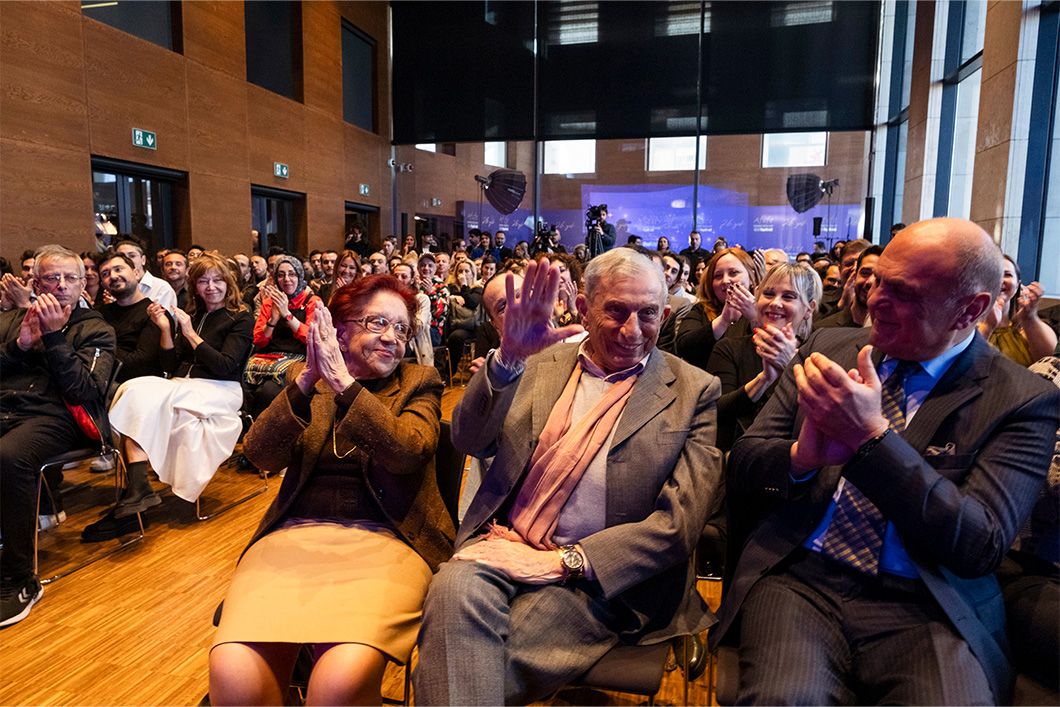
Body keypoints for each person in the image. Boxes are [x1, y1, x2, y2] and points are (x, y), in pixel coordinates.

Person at [711, 218, 1060, 705]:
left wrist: (872, 439)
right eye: (875, 282)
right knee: (785, 698)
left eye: (902, 292)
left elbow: (979, 544)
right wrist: (803, 456)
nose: (875, 300)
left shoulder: (1021, 398)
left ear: (970, 308)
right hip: (802, 579)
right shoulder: (828, 351)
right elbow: (743, 463)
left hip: (928, 602)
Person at [413, 252, 724, 705]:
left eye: (648, 314)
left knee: (461, 661)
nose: (632, 330)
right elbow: (468, 439)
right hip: (505, 542)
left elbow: (678, 528)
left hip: (604, 583)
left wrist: (564, 562)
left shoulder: (694, 391)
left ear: (666, 313)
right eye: (616, 310)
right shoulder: (538, 362)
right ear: (582, 308)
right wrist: (507, 360)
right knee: (452, 592)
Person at [209, 275, 453, 706]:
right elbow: (261, 456)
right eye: (378, 322)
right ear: (340, 330)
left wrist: (344, 385)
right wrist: (305, 383)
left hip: (388, 540)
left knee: (338, 684)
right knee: (234, 673)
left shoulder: (420, 381)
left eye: (401, 329)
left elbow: (406, 452)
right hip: (294, 539)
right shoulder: (311, 382)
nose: (392, 337)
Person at [0, 245, 116, 626]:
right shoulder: (11, 320)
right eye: (52, 277)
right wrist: (21, 345)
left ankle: (19, 577)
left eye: (70, 278)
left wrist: (53, 339)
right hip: (7, 407)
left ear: (84, 284)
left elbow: (83, 389)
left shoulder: (96, 328)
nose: (61, 285)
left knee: (9, 456)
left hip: (59, 416)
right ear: (36, 283)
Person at [107, 253, 253, 514]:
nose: (211, 287)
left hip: (220, 389)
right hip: (183, 384)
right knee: (132, 389)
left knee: (146, 398)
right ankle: (139, 487)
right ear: (195, 286)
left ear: (228, 283)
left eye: (217, 280)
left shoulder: (239, 317)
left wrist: (189, 334)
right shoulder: (193, 314)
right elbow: (170, 366)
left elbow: (225, 365)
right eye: (203, 281)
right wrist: (165, 329)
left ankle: (138, 487)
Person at [706, 262, 820, 451]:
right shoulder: (729, 348)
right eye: (768, 294)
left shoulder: (818, 354)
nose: (775, 303)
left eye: (789, 296)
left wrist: (790, 365)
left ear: (809, 309)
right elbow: (714, 411)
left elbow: (821, 417)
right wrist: (764, 379)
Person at [247, 255, 324, 417]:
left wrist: (287, 314)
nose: (286, 279)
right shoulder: (269, 302)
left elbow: (311, 338)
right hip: (268, 358)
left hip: (300, 360)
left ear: (299, 276)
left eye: (292, 274)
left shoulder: (312, 301)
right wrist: (274, 318)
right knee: (245, 387)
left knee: (268, 391)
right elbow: (259, 340)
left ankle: (263, 433)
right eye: (281, 275)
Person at [674, 247, 757, 370]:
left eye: (733, 273)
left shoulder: (767, 311)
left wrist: (755, 317)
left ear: (751, 278)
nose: (725, 280)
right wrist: (723, 321)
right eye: (718, 276)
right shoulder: (700, 310)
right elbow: (683, 348)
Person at [97, 253, 167, 383]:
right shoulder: (99, 314)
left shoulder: (155, 314)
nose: (113, 276)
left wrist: (101, 345)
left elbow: (140, 365)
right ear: (103, 284)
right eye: (105, 274)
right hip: (100, 383)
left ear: (136, 273)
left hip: (138, 387)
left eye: (118, 269)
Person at [978, 254, 1057, 366]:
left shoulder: (1027, 327)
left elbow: (1050, 362)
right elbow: (958, 364)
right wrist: (988, 326)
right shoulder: (963, 325)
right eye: (993, 273)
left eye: (1007, 274)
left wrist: (1029, 318)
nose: (1000, 280)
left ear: (1017, 285)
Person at [815, 245, 881, 330]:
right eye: (865, 273)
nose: (870, 281)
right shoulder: (823, 327)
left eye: (878, 276)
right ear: (854, 276)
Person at [115, 238, 177, 312]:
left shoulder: (161, 288)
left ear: (143, 260)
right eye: (122, 257)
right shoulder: (116, 286)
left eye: (132, 256)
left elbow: (162, 321)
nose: (127, 260)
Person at [417, 253, 448, 348]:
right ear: (418, 268)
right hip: (414, 325)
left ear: (435, 269)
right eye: (422, 265)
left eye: (430, 265)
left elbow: (441, 313)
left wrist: (430, 292)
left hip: (432, 329)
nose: (426, 268)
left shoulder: (442, 286)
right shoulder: (413, 284)